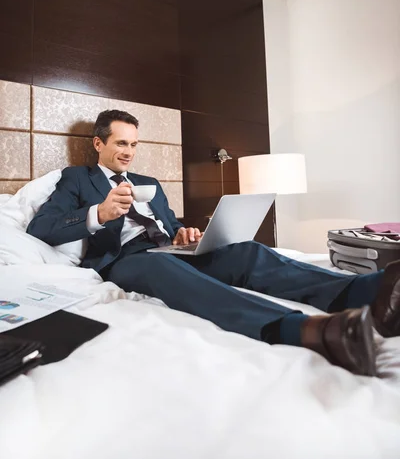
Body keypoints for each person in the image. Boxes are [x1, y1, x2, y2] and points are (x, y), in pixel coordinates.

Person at [27, 110, 400, 377]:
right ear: (98, 143)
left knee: (246, 251)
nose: (128, 151)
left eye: (134, 144)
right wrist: (99, 214)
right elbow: (42, 228)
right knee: (161, 267)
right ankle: (296, 329)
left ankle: (368, 290)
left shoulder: (148, 181)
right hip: (126, 258)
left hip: (170, 249)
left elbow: (171, 225)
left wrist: (185, 234)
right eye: (121, 143)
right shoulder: (77, 178)